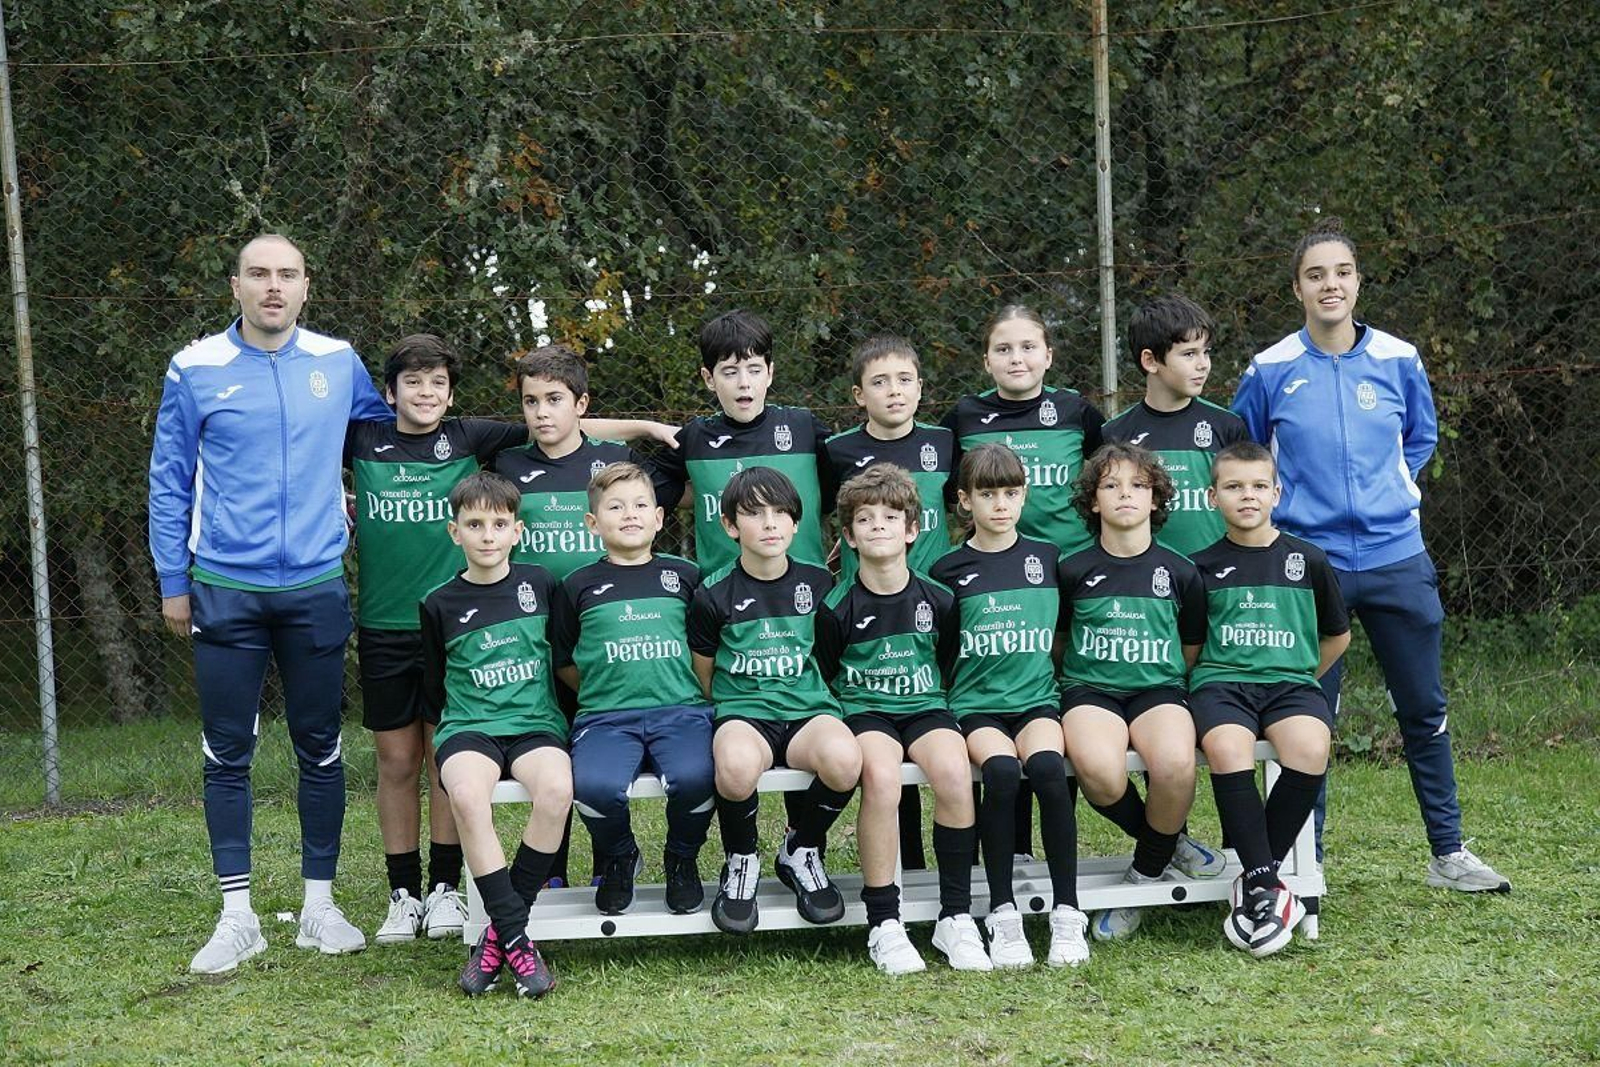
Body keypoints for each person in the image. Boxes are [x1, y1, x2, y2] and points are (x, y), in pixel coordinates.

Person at [1232, 219, 1510, 904]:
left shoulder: (1398, 358)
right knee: (1306, 719)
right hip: (1307, 565)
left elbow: (1420, 437)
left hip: (1395, 556)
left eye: (1343, 272)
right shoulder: (1270, 369)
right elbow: (1243, 454)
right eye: (1316, 274)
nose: (1331, 284)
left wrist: (1393, 494)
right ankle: (1308, 864)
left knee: (1423, 708)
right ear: (1296, 287)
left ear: (1358, 281)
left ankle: (1447, 851)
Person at [149, 233, 391, 974]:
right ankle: (237, 915)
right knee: (228, 751)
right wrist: (173, 581)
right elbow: (168, 481)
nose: (273, 286)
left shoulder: (338, 361)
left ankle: (320, 907)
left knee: (321, 746)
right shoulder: (195, 368)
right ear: (236, 287)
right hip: (225, 586)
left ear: (306, 287)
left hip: (316, 586)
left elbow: (388, 443)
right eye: (259, 274)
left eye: (287, 274)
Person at [346, 333, 527, 944]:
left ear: (451, 395)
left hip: (457, 629)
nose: (426, 393)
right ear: (390, 391)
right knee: (397, 761)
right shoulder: (362, 439)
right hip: (383, 627)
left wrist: (649, 429)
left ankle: (446, 889)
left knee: (447, 761)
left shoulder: (469, 439)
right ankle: (404, 895)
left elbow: (560, 426)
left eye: (438, 384)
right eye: (413, 382)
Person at [941, 305, 1106, 861]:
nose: (1018, 358)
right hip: (990, 580)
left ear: (1049, 355)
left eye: (1029, 347)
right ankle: (1010, 852)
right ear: (987, 360)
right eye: (1004, 349)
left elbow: (1102, 481)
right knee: (1002, 715)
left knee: (1049, 712)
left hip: (1064, 577)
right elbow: (950, 490)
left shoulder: (1076, 412)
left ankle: (1057, 842)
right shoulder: (963, 417)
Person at [814, 464, 985, 975]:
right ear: (848, 535)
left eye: (891, 517)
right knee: (883, 780)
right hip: (866, 713)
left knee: (955, 774)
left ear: (913, 529)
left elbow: (948, 661)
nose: (879, 527)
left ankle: (955, 916)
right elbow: (825, 671)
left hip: (926, 707)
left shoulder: (939, 598)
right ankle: (884, 922)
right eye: (865, 519)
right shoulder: (835, 606)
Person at [931, 445, 1088, 970]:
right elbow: (944, 648)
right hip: (977, 705)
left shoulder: (1046, 558)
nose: (1000, 504)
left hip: (1036, 700)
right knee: (999, 772)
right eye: (987, 494)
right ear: (964, 500)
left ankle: (1068, 913)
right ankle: (1003, 914)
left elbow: (1061, 634)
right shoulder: (948, 569)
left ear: (1025, 494)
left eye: (1010, 492)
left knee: (1047, 768)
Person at [1190, 442, 1349, 957]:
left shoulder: (1308, 560)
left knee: (1309, 745)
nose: (1248, 496)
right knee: (1228, 748)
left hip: (1291, 684)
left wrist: (1301, 673)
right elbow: (1191, 644)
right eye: (1234, 487)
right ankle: (1267, 882)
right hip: (1221, 683)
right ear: (1213, 496)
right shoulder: (1201, 567)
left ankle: (1257, 878)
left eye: (1259, 486)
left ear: (1277, 493)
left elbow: (1336, 636)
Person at [686, 468, 862, 934]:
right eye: (755, 513)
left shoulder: (818, 583)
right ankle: (741, 860)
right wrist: (737, 707)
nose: (770, 523)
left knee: (845, 760)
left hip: (807, 710)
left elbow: (828, 655)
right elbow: (704, 671)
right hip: (746, 712)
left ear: (795, 522)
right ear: (729, 526)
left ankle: (800, 851)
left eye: (781, 512)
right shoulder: (712, 593)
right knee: (737, 766)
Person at [1057, 443, 1218, 944]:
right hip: (1090, 689)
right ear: (1093, 502)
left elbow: (1191, 642)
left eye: (1138, 486)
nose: (1124, 494)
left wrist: (1158, 678)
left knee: (1174, 764)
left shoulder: (1179, 571)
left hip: (1158, 689)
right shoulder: (1072, 569)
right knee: (1100, 773)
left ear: (1156, 500)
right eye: (1110, 485)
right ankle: (1170, 844)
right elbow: (1058, 641)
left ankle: (1144, 876)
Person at [421, 472, 568, 999]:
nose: (487, 534)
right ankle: (517, 940)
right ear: (453, 532)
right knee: (464, 792)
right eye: (475, 524)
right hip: (469, 727)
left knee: (555, 791)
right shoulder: (438, 603)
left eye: (498, 524)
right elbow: (436, 683)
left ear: (517, 531)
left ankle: (500, 933)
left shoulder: (542, 585)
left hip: (534, 725)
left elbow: (565, 662)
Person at [550, 463, 715, 917]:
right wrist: (605, 689)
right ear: (592, 522)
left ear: (659, 518)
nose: (630, 514)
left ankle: (682, 858)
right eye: (616, 506)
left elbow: (706, 647)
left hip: (680, 712)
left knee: (698, 779)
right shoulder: (577, 585)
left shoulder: (686, 576)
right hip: (605, 717)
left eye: (641, 505)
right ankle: (621, 857)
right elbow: (562, 659)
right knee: (593, 787)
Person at [821, 335, 956, 870]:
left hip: (926, 602)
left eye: (904, 380)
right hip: (868, 607)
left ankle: (942, 870)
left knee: (927, 726)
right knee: (882, 749)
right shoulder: (836, 451)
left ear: (921, 389)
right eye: (879, 382)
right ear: (859, 394)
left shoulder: (947, 441)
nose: (893, 391)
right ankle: (897, 863)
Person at [655, 310, 834, 576]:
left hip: (806, 599)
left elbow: (853, 485)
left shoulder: (803, 429)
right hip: (723, 603)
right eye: (729, 372)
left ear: (770, 373)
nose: (744, 383)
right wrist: (644, 427)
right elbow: (639, 492)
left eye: (754, 370)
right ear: (708, 378)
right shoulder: (695, 439)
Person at [1101, 293, 1249, 558]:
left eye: (1206, 352)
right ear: (1150, 361)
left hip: (1215, 576)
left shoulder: (1228, 426)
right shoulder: (1115, 433)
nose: (1203, 364)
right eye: (1189, 354)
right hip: (1145, 582)